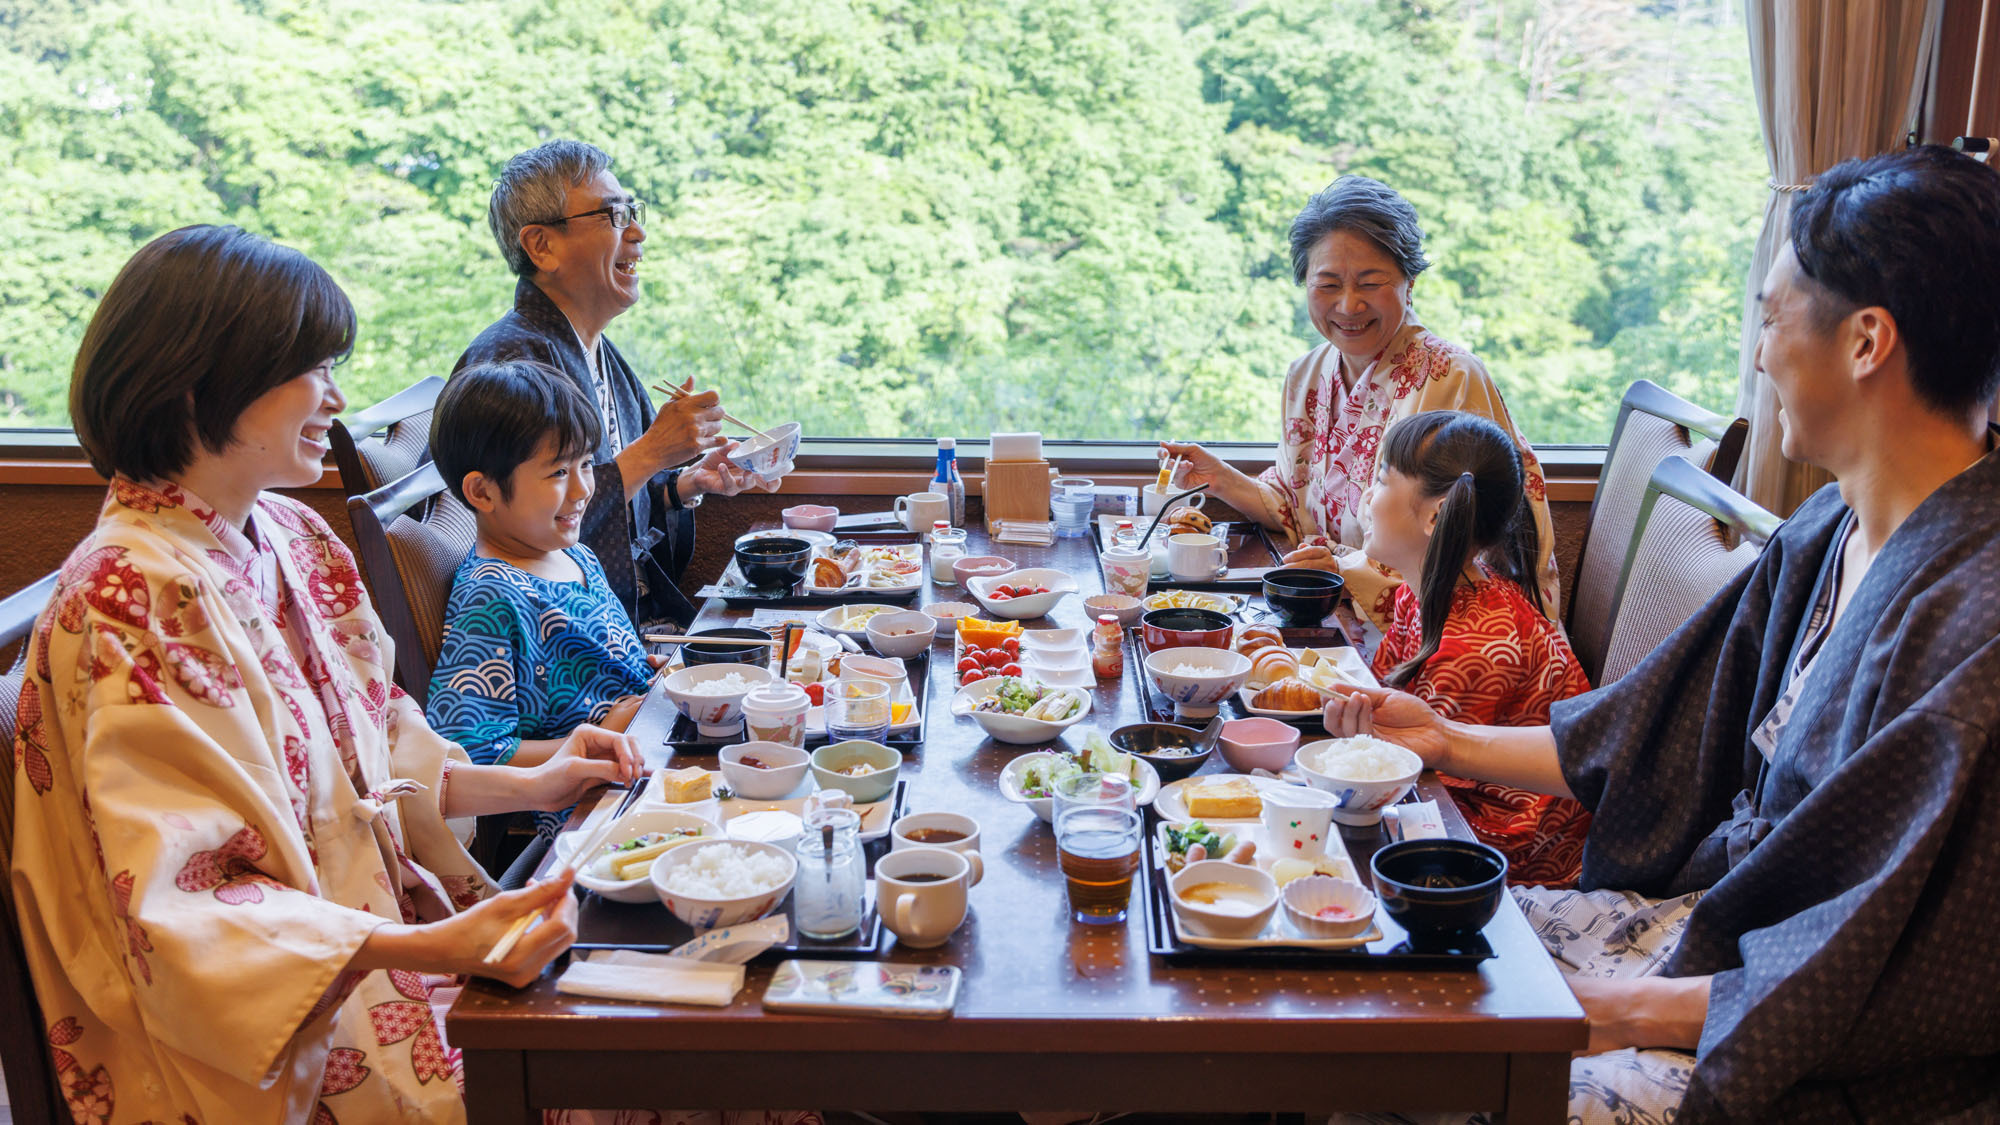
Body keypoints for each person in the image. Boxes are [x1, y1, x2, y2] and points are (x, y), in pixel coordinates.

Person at [1325, 145, 2000, 1122]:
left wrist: (1604, 1010)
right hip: (1716, 934)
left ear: (1864, 342)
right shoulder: (1826, 531)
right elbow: (1651, 735)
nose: (1761, 354)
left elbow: (1917, 970)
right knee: (1379, 960)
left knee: (1418, 1071)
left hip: (1800, 1041)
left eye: (1770, 319)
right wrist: (1439, 738)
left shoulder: (1974, 618)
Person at [14, 225, 643, 1122]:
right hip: (281, 1030)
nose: (337, 396)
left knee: (669, 1006)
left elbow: (381, 746)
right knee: (662, 1071)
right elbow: (188, 908)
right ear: (204, 385)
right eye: (313, 368)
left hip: (384, 942)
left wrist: (537, 778)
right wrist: (435, 948)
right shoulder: (127, 596)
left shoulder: (290, 536)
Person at [1160, 177, 1557, 631]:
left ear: (1410, 282)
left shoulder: (1448, 376)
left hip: (1453, 635)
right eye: (1327, 284)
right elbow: (1296, 504)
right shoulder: (1307, 374)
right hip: (1338, 612)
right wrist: (1221, 479)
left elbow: (1468, 555)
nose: (1348, 306)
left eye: (1370, 283)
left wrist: (1340, 570)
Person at [456, 139, 775, 631]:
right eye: (613, 217)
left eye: (632, 212)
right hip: (572, 636)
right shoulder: (512, 366)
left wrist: (684, 483)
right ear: (542, 246)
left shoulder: (595, 349)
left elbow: (608, 495)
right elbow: (531, 528)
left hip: (627, 621)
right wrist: (651, 452)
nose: (639, 233)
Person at [424, 360, 656, 833]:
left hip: (647, 746)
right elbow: (472, 753)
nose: (582, 489)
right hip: (596, 805)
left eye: (586, 464)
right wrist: (602, 737)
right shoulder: (490, 597)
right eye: (557, 473)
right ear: (482, 492)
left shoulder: (577, 558)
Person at [1362, 410, 1592, 886]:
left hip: (1509, 853)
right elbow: (1379, 696)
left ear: (1435, 515)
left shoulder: (1473, 646)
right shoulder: (1423, 593)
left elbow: (1418, 779)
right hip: (1454, 805)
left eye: (1382, 481)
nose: (1367, 496)